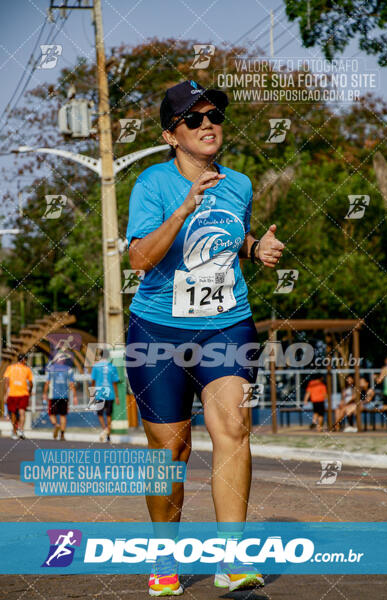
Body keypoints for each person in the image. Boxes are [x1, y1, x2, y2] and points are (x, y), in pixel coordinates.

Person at [125, 80, 284, 596]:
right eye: (194, 119)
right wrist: (183, 208)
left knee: (233, 430)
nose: (208, 124)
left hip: (225, 323)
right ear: (172, 135)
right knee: (170, 449)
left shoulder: (238, 184)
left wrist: (255, 248)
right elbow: (140, 259)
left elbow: (228, 235)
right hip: (158, 330)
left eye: (214, 115)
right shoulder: (151, 184)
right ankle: (165, 559)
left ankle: (231, 560)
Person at [43, 355, 77, 440]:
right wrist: (75, 396)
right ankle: (62, 434)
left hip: (53, 396)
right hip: (64, 396)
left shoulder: (51, 369)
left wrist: (44, 393)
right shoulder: (69, 369)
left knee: (51, 413)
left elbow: (47, 382)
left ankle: (56, 425)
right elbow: (71, 384)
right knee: (63, 415)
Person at [90, 349, 120, 442]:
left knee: (99, 414)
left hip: (99, 394)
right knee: (109, 415)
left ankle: (105, 429)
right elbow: (115, 383)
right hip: (110, 394)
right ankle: (108, 436)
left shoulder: (96, 366)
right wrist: (117, 396)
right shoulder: (112, 366)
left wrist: (92, 395)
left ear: (100, 355)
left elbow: (93, 381)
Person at [3, 353, 33, 439]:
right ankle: (21, 430)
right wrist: (30, 391)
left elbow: (7, 381)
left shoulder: (10, 368)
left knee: (13, 413)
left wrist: (6, 394)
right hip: (23, 393)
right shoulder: (27, 369)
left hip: (12, 393)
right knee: (22, 412)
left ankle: (14, 431)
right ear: (24, 360)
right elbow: (31, 382)